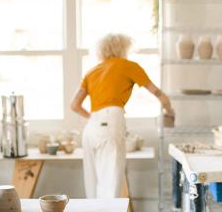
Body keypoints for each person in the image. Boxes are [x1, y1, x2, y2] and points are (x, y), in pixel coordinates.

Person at [70, 33, 174, 199]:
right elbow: (158, 93)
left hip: (91, 129)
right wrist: (170, 111)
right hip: (111, 121)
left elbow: (74, 105)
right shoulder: (129, 66)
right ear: (124, 48)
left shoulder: (92, 72)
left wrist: (94, 118)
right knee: (110, 188)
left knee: (93, 189)